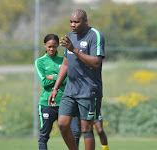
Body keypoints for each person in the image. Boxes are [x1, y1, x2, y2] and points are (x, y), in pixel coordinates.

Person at [48, 9, 109, 150]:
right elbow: (65, 64)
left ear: (85, 21)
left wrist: (75, 50)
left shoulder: (95, 36)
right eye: (71, 22)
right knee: (62, 124)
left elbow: (96, 63)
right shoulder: (71, 36)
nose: (72, 25)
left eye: (76, 22)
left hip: (89, 90)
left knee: (86, 128)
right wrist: (56, 88)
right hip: (71, 89)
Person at [35, 34, 80, 150]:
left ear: (57, 46)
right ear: (45, 45)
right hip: (47, 103)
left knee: (75, 133)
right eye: (49, 46)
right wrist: (60, 77)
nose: (51, 49)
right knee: (44, 136)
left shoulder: (64, 60)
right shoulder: (40, 62)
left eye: (54, 46)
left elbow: (70, 78)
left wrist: (53, 77)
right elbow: (44, 83)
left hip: (66, 101)